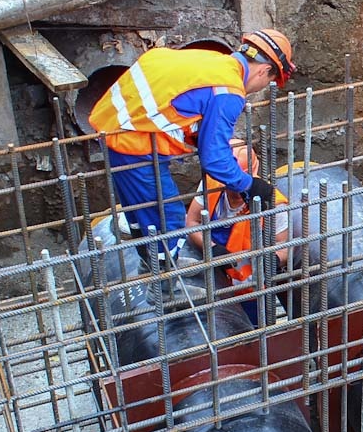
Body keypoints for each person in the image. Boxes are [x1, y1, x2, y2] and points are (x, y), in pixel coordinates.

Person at [88, 29, 295, 259]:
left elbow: (179, 105)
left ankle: (149, 264)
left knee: (142, 217)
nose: (260, 89)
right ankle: (164, 287)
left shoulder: (211, 62)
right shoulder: (229, 91)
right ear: (265, 71)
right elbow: (215, 160)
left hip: (114, 127)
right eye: (268, 82)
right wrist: (249, 185)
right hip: (134, 143)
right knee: (170, 220)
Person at [184, 140, 290, 295]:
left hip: (248, 284)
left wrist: (273, 261)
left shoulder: (273, 204)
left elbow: (285, 247)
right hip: (209, 266)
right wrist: (212, 249)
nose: (235, 189)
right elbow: (192, 221)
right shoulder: (211, 182)